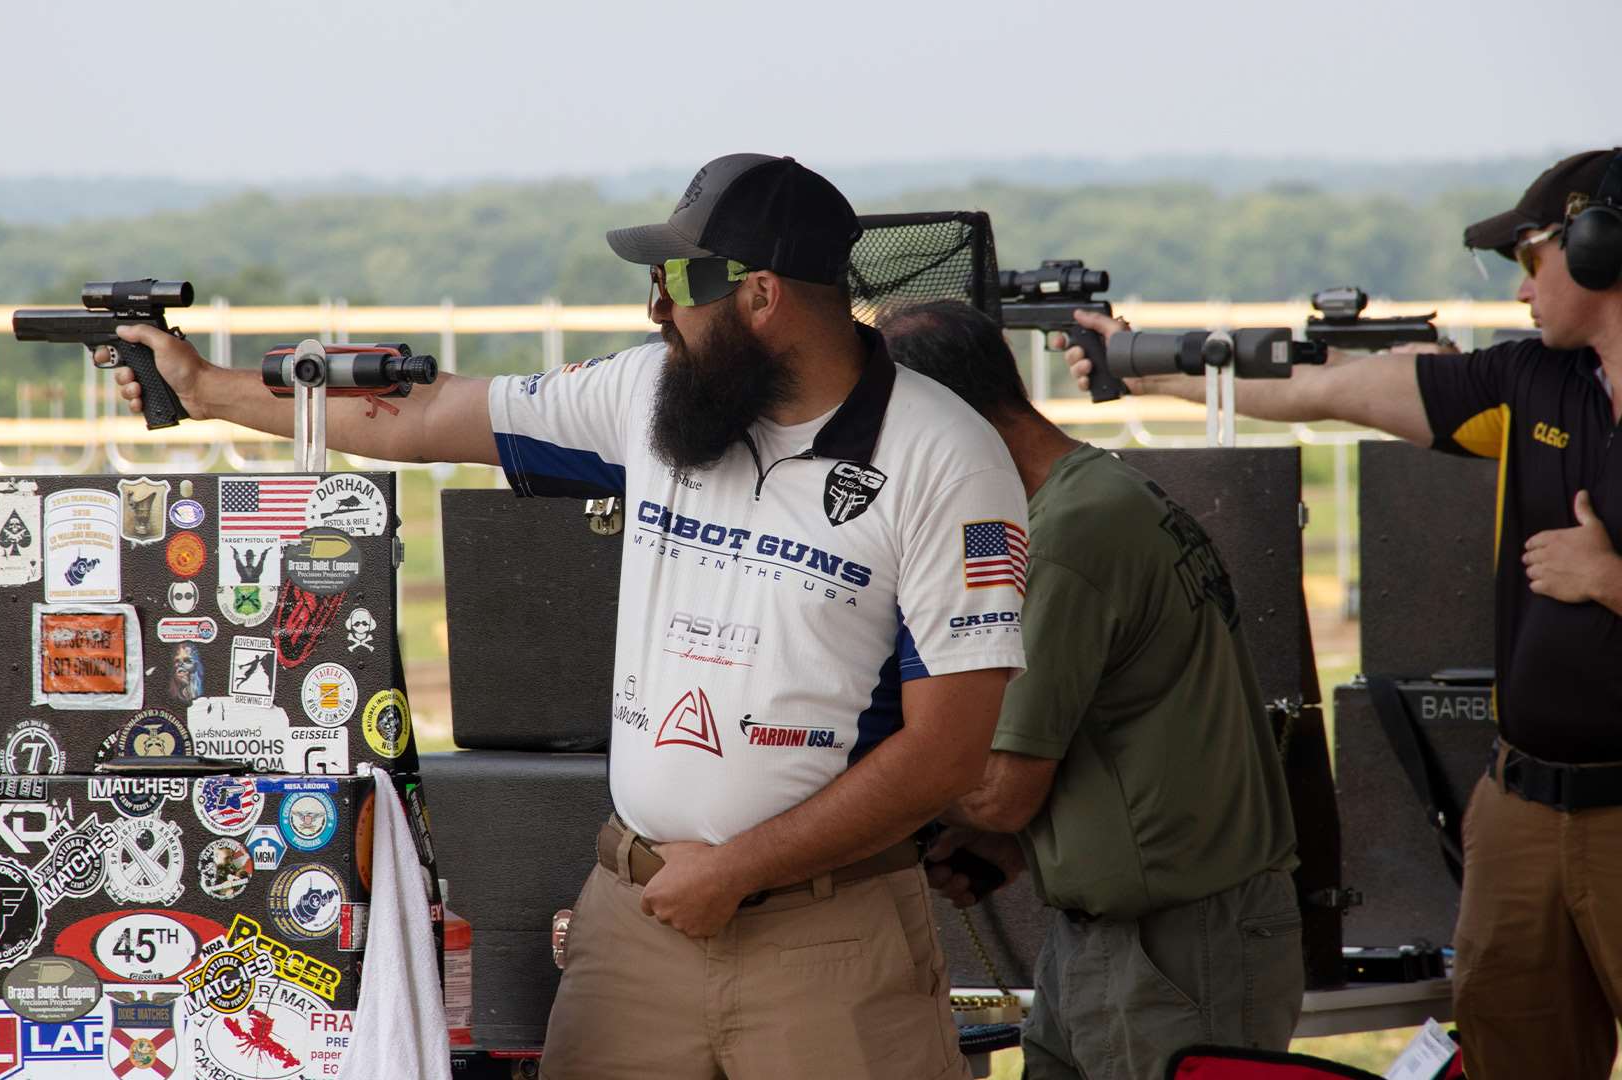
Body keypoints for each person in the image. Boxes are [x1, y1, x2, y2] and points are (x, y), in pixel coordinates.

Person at [109, 153, 1029, 1080]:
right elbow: (427, 416)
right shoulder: (652, 394)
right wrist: (204, 389)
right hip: (639, 920)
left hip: (828, 940)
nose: (656, 310)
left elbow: (948, 751)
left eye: (674, 280)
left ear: (759, 296)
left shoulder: (946, 457)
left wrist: (739, 868)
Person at [1064, 148, 1622, 1078]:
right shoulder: (1533, 382)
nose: (1522, 292)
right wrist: (1140, 370)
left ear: (1602, 246)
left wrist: (1608, 580)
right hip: (1522, 803)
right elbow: (1322, 387)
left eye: (1531, 259)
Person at [882, 300, 1303, 1077]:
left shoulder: (1064, 539)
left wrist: (859, 786)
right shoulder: (1095, 492)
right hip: (1124, 937)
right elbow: (1121, 727)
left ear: (944, 422)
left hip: (1174, 951)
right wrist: (1014, 843)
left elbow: (1001, 791)